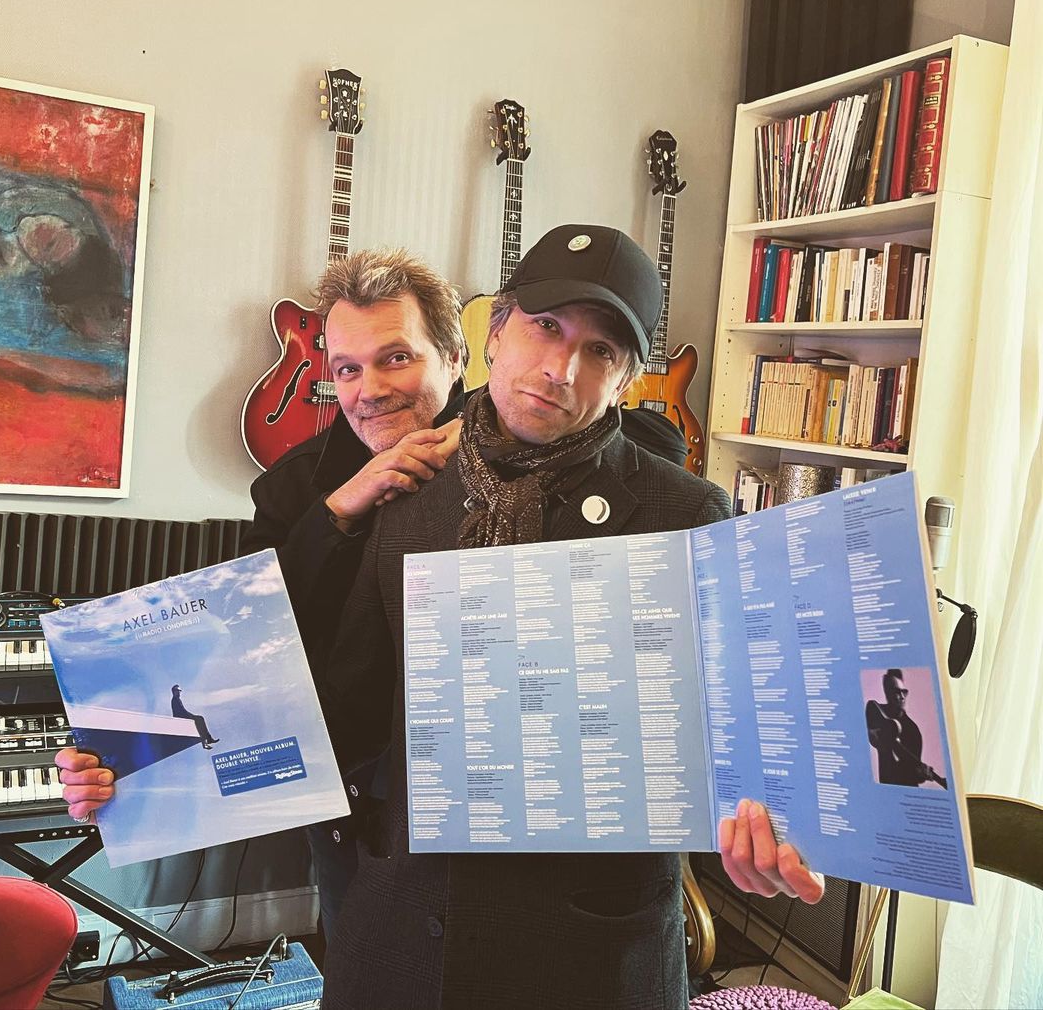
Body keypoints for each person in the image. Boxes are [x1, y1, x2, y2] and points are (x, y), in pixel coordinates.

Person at [54, 245, 695, 945]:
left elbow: (645, 446)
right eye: (347, 369)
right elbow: (231, 651)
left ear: (459, 356)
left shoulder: (532, 436)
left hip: (530, 824)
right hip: (360, 823)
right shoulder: (293, 486)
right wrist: (119, 766)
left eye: (396, 358)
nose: (370, 390)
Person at [312, 224, 824, 1009]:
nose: (560, 368)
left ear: (624, 380)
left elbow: (739, 729)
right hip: (411, 931)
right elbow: (343, 709)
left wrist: (770, 822)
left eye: (600, 350)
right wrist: (154, 770)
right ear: (495, 331)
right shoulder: (408, 492)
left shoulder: (685, 513)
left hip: (589, 950)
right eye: (545, 327)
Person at [866, 668, 946, 788]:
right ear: (887, 693)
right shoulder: (876, 710)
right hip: (886, 787)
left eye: (904, 692)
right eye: (897, 692)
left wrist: (921, 774)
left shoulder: (912, 731)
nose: (902, 696)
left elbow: (911, 774)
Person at [170, 685, 219, 749]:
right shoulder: (175, 700)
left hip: (183, 716)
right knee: (200, 719)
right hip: (181, 718)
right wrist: (192, 716)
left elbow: (182, 711)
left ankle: (208, 740)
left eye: (179, 691)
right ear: (174, 692)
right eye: (177, 691)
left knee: (200, 720)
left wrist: (192, 716)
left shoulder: (177, 699)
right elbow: (181, 711)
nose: (179, 692)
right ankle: (207, 740)